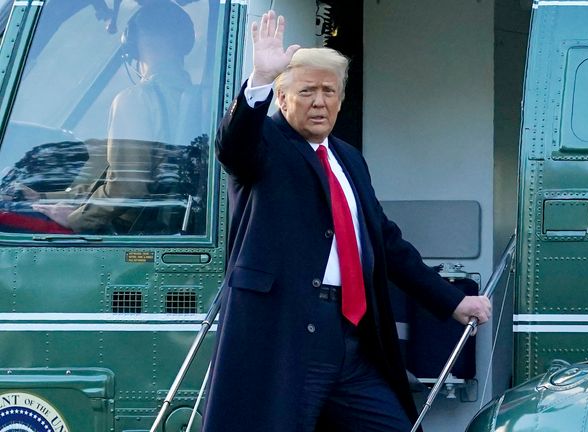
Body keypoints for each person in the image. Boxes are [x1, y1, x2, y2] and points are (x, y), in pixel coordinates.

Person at [202, 10, 492, 432]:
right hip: (285, 339)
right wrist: (260, 78)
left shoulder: (348, 158)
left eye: (329, 91)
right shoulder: (265, 143)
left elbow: (387, 245)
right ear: (282, 98)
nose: (320, 101)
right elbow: (233, 146)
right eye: (307, 91)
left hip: (351, 341)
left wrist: (452, 302)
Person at [29, 0, 196, 233]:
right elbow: (116, 180)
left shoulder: (135, 99)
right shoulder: (198, 100)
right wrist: (45, 197)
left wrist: (77, 219)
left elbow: (128, 188)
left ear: (133, 42)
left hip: (131, 232)